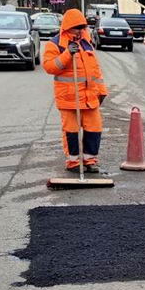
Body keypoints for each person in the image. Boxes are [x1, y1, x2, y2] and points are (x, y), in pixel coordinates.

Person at [42, 9, 108, 173]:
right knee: (71, 132)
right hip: (69, 99)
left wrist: (101, 91)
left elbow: (95, 71)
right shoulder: (55, 44)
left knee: (94, 129)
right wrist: (67, 54)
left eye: (82, 27)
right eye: (77, 27)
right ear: (68, 27)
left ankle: (90, 161)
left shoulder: (86, 43)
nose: (80, 31)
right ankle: (73, 162)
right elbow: (49, 67)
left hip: (90, 97)